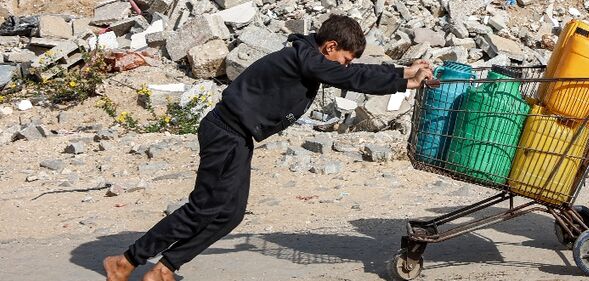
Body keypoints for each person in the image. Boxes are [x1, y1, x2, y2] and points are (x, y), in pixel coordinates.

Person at [103, 14, 434, 281]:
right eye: (343, 59)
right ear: (329, 47)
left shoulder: (308, 59)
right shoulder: (305, 58)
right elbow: (351, 78)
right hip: (225, 133)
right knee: (202, 209)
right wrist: (404, 78)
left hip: (236, 137)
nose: (343, 67)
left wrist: (406, 72)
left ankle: (164, 268)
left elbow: (352, 72)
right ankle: (126, 261)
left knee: (229, 215)